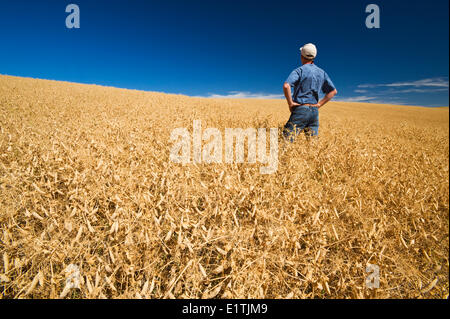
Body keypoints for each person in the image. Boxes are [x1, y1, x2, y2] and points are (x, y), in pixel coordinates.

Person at [283, 43, 337, 141]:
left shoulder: (299, 71)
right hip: (314, 112)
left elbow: (286, 86)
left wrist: (290, 103)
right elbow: (333, 91)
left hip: (301, 109)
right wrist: (319, 104)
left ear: (301, 55)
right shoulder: (322, 73)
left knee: (286, 140)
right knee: (312, 145)